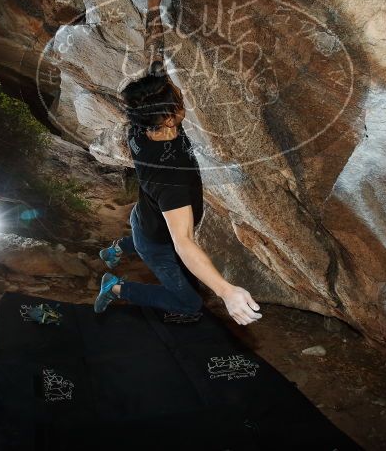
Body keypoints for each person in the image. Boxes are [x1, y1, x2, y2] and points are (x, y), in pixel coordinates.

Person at [94, 74, 263, 326]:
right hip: (158, 244)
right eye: (178, 99)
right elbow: (183, 242)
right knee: (190, 302)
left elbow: (149, 97)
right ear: (170, 117)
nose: (182, 97)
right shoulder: (171, 179)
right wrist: (226, 291)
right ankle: (116, 287)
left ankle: (118, 248)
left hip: (146, 218)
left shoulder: (142, 126)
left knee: (153, 233)